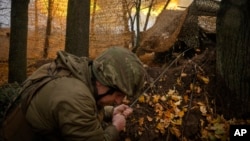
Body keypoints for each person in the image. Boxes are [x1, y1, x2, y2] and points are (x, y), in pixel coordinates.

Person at [21, 47, 146, 141]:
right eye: (119, 95)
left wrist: (110, 112)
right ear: (101, 83)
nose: (119, 101)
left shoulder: (77, 71)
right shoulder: (75, 98)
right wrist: (115, 127)